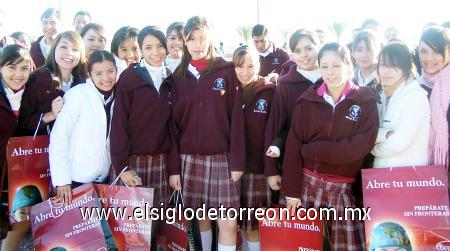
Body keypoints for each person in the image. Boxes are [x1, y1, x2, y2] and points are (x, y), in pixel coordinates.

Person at [282, 42, 379, 250]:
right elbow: (293, 146)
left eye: (335, 65)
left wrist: (312, 150)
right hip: (306, 186)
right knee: (306, 245)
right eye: (324, 66)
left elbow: (357, 148)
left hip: (342, 190)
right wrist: (291, 191)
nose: (330, 72)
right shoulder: (307, 100)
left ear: (348, 65)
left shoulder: (365, 100)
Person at [169, 16, 245, 251]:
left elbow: (237, 120)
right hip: (188, 160)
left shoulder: (227, 71)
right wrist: (173, 169)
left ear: (211, 38)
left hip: (222, 160)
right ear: (184, 41)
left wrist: (237, 161)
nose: (197, 44)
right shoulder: (177, 77)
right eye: (191, 39)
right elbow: (172, 128)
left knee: (228, 223)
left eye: (202, 38)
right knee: (200, 218)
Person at [111, 26, 172, 205]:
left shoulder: (170, 77)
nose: (155, 52)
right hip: (133, 162)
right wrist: (122, 168)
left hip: (161, 161)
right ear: (142, 50)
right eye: (148, 47)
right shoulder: (129, 78)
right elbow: (119, 124)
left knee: (158, 223)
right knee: (131, 227)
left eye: (160, 46)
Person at [50, 50, 116, 204]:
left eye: (110, 71)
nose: (106, 78)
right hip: (74, 181)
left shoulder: (117, 97)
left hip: (102, 180)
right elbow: (59, 137)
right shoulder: (77, 95)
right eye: (98, 73)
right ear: (89, 75)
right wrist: (62, 181)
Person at [264, 30, 322, 194]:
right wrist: (271, 169)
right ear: (291, 54)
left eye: (309, 48)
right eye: (297, 50)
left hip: (327, 166)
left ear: (319, 47)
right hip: (293, 164)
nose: (304, 55)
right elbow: (274, 127)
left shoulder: (330, 78)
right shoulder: (285, 85)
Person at [233, 45, 274, 251]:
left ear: (259, 65)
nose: (245, 71)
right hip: (233, 172)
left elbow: (275, 130)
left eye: (251, 65)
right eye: (240, 66)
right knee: (236, 225)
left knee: (253, 227)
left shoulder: (269, 91)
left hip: (257, 172)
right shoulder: (228, 91)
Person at [372, 42, 430, 168]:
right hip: (381, 178)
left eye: (394, 65)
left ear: (406, 67)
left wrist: (372, 149)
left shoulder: (415, 96)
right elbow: (368, 131)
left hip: (409, 177)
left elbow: (399, 143)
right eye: (382, 64)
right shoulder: (381, 95)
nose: (386, 71)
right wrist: (385, 134)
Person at [19, 31, 87, 136]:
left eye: (75, 49)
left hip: (75, 147)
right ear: (54, 49)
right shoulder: (36, 80)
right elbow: (22, 122)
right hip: (43, 148)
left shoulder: (84, 83)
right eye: (64, 47)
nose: (69, 52)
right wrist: (50, 115)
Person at [0, 44, 32, 249]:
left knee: (18, 227)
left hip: (19, 179)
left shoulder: (29, 95)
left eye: (24, 68)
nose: (18, 74)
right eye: (11, 67)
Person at [418, 26, 450, 167]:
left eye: (436, 51)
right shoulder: (414, 86)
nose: (428, 58)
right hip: (422, 168)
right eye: (424, 51)